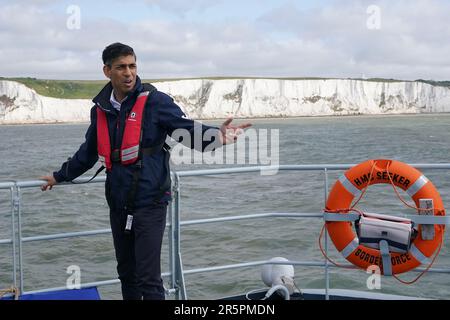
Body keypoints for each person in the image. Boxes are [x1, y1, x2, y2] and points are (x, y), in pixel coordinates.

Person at [40, 42, 251, 300]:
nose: (128, 73)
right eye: (121, 67)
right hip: (118, 202)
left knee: (149, 279)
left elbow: (185, 131)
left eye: (132, 66)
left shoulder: (155, 102)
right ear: (107, 71)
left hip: (150, 201)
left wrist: (216, 137)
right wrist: (59, 176)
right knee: (126, 273)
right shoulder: (100, 110)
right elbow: (88, 152)